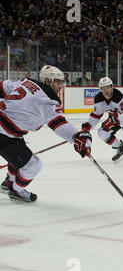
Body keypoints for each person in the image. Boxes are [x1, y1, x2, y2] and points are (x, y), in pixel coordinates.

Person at [0, 65, 91, 202]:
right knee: (33, 165)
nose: (61, 86)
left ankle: (8, 183)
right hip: (5, 134)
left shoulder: (26, 82)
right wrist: (76, 136)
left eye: (62, 82)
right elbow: (58, 123)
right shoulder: (48, 100)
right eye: (58, 82)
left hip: (10, 133)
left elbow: (3, 86)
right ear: (47, 81)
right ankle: (16, 190)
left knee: (21, 156)